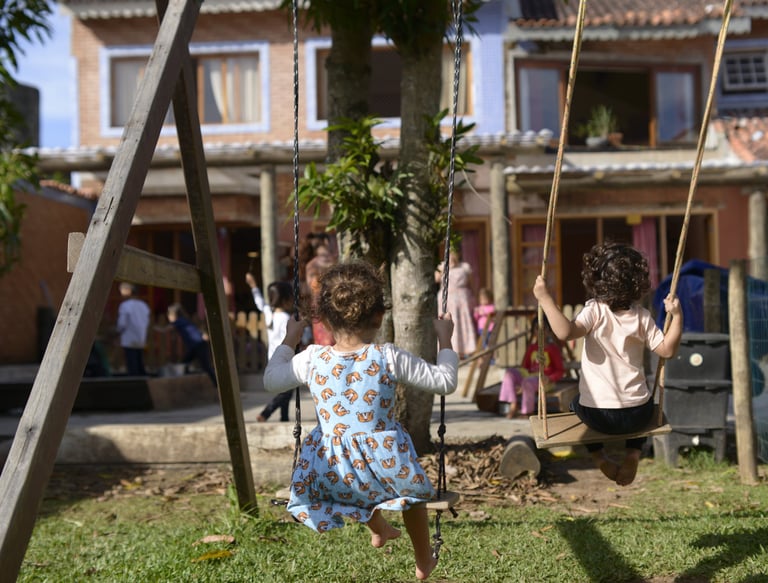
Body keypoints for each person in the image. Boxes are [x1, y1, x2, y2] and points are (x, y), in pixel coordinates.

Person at [264, 260, 458, 581]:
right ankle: (423, 560)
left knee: (354, 482)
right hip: (385, 466)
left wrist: (289, 339)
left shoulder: (312, 358)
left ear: (324, 319)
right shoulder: (388, 356)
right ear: (380, 316)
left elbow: (271, 380)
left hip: (329, 470)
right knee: (411, 495)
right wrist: (445, 340)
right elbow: (444, 382)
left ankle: (378, 527)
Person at [534, 241, 683, 486]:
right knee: (646, 402)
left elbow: (565, 332)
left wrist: (545, 299)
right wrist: (676, 316)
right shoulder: (642, 317)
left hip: (598, 416)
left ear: (595, 280)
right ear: (638, 283)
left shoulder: (594, 311)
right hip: (637, 415)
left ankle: (599, 456)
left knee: (575, 403)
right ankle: (633, 452)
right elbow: (667, 350)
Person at [245, 273, 296, 422]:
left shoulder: (270, 313)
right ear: (286, 300)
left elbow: (260, 303)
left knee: (286, 388)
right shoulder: (286, 318)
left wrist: (253, 286)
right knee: (287, 391)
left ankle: (284, 418)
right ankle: (266, 413)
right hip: (285, 358)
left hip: (273, 358)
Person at [498, 316, 565, 418]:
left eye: (544, 328)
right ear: (533, 331)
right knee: (509, 373)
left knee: (528, 382)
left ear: (549, 331)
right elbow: (525, 367)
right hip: (529, 377)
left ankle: (526, 412)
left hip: (545, 380)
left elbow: (560, 371)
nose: (540, 332)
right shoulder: (532, 348)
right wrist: (519, 382)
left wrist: (550, 378)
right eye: (537, 329)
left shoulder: (553, 349)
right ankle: (513, 403)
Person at [435, 250, 476, 358]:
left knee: (462, 323)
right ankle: (447, 349)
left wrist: (474, 297)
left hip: (462, 300)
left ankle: (465, 350)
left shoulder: (464, 267)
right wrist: (443, 270)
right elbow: (436, 279)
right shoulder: (442, 266)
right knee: (447, 322)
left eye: (453, 256)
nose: (452, 258)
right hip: (447, 299)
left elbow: (471, 283)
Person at [165, 303, 217, 386]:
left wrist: (156, 328)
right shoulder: (185, 320)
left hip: (198, 345)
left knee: (206, 366)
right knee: (185, 362)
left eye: (169, 315)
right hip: (197, 345)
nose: (168, 317)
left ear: (173, 315)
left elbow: (167, 329)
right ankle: (183, 382)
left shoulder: (179, 321)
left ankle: (217, 383)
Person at [304, 240, 336, 346]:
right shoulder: (312, 266)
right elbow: (311, 287)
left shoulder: (333, 263)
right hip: (321, 303)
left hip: (332, 302)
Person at [116, 282, 151, 376]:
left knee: (132, 364)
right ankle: (142, 379)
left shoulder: (125, 305)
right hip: (141, 337)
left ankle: (134, 381)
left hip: (129, 337)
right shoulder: (143, 305)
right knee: (139, 361)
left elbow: (122, 323)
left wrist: (118, 331)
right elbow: (147, 321)